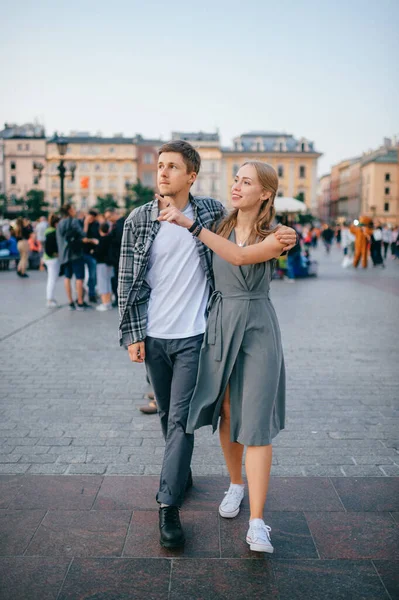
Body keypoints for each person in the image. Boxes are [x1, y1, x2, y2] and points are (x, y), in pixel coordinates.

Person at [118, 141, 296, 550]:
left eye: (172, 167)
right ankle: (187, 473)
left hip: (199, 334)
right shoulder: (140, 220)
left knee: (183, 420)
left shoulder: (210, 214)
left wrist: (287, 232)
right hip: (159, 334)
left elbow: (245, 243)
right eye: (159, 166)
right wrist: (132, 334)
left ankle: (169, 504)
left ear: (191, 176)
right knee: (177, 415)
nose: (162, 173)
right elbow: (127, 281)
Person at [158, 161, 289, 554]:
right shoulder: (219, 222)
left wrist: (191, 226)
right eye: (236, 179)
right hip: (220, 322)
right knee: (228, 411)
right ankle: (236, 485)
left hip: (258, 326)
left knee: (258, 420)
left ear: (265, 193)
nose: (236, 186)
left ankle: (258, 522)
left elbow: (241, 258)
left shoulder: (276, 234)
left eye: (246, 182)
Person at [57, 204, 94, 311]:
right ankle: (80, 302)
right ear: (69, 211)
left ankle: (70, 302)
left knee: (67, 278)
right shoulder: (74, 221)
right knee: (79, 278)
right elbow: (83, 234)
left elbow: (59, 241)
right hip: (76, 253)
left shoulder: (60, 223)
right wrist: (86, 224)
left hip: (64, 255)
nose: (74, 210)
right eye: (73, 208)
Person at [82, 209, 100, 303]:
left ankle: (91, 294)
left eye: (93, 218)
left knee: (92, 276)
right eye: (90, 217)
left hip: (91, 253)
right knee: (80, 277)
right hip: (81, 253)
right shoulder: (80, 223)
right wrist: (85, 224)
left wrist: (90, 241)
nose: (91, 219)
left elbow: (97, 239)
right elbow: (82, 237)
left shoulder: (96, 225)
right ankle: (80, 296)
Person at [95, 222, 114, 311]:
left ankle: (105, 303)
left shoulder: (102, 240)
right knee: (108, 283)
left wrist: (93, 251)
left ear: (100, 230)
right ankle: (108, 302)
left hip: (102, 263)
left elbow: (98, 253)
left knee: (102, 283)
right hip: (110, 263)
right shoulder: (110, 238)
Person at [43, 214, 60, 308]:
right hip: (52, 259)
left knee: (51, 279)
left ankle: (50, 298)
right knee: (52, 279)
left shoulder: (48, 231)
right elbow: (50, 249)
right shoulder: (53, 233)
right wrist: (57, 254)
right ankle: (49, 299)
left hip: (48, 258)